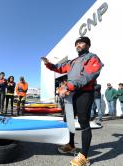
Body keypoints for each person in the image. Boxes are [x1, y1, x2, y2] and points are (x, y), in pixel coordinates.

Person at [42, 36, 103, 166]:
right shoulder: (72, 61)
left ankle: (84, 156)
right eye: (77, 43)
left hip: (85, 93)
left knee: (83, 122)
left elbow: (90, 75)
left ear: (87, 45)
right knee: (69, 119)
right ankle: (70, 145)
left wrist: (68, 86)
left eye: (81, 43)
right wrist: (48, 64)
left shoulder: (93, 57)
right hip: (72, 93)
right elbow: (59, 68)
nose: (78, 45)